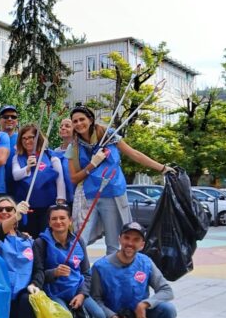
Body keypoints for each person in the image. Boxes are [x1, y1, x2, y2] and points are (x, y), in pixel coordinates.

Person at [66, 105, 173, 254]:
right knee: (79, 239)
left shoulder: (109, 135)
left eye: (81, 119)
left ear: (90, 119)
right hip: (88, 196)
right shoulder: (74, 146)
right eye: (75, 121)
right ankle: (77, 273)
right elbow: (73, 178)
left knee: (113, 241)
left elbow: (134, 154)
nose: (78, 124)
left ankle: (110, 273)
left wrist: (162, 168)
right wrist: (92, 164)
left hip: (112, 193)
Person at [91, 222, 179, 318]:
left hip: (140, 317)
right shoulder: (100, 266)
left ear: (142, 244)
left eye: (136, 240)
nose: (130, 243)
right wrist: (115, 317)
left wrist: (145, 304)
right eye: (126, 238)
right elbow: (95, 300)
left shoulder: (145, 262)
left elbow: (166, 290)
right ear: (119, 239)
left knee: (168, 310)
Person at [12, 124, 66, 236]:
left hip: (47, 206)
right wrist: (27, 168)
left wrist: (60, 201)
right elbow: (16, 175)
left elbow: (60, 181)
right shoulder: (18, 157)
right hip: (26, 207)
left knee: (46, 237)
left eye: (31, 137)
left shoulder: (51, 156)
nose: (27, 141)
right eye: (24, 138)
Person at [53, 119, 76, 212]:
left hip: (76, 196)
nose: (63, 128)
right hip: (60, 197)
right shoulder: (55, 151)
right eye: (61, 126)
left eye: (67, 126)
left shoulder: (78, 150)